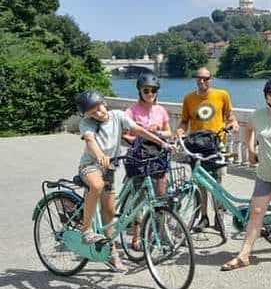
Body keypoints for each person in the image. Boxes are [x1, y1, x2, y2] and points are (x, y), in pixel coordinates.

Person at [75, 89, 172, 272]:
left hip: (109, 168)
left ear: (105, 103)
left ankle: (113, 254)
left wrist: (162, 143)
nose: (99, 112)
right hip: (91, 166)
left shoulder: (118, 116)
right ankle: (86, 230)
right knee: (96, 184)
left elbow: (138, 130)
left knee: (109, 215)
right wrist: (100, 155)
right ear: (88, 114)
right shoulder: (86, 123)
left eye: (99, 107)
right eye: (93, 111)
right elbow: (90, 141)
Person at [221, 77, 271, 270]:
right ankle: (244, 254)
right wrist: (250, 150)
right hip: (264, 173)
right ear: (266, 95)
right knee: (256, 212)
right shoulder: (257, 116)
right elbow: (247, 130)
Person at [174, 67, 239, 231]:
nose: (201, 81)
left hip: (216, 144)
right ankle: (204, 217)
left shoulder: (222, 95)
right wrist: (179, 132)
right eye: (199, 78)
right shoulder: (188, 98)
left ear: (211, 79)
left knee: (217, 182)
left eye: (205, 78)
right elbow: (184, 121)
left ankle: (219, 216)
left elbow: (230, 117)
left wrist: (234, 124)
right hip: (196, 145)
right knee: (200, 183)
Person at [122, 73, 172, 251]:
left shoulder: (161, 110)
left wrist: (156, 133)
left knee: (160, 198)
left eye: (153, 90)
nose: (150, 93)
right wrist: (139, 136)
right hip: (139, 159)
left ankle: (158, 233)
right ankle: (136, 237)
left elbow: (169, 132)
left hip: (157, 157)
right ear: (140, 91)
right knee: (139, 201)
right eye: (146, 90)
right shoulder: (131, 111)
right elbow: (124, 135)